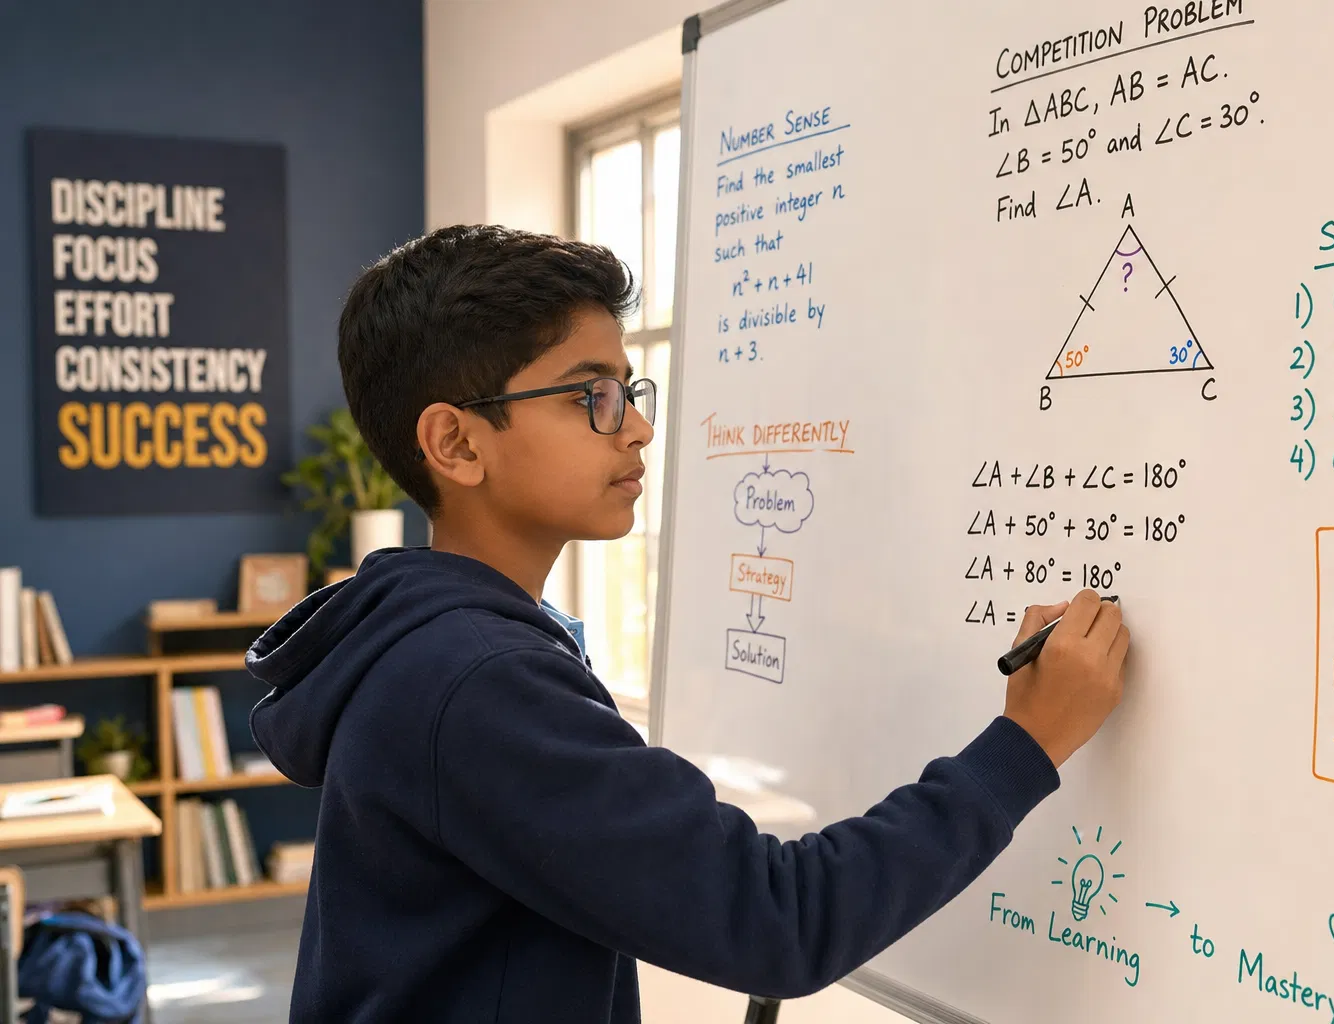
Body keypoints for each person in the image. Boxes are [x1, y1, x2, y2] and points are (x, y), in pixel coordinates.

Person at [247, 225, 1130, 1023]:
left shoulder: (434, 643)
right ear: (457, 444)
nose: (634, 428)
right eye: (589, 396)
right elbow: (778, 924)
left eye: (630, 391)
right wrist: (1026, 744)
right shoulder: (477, 680)